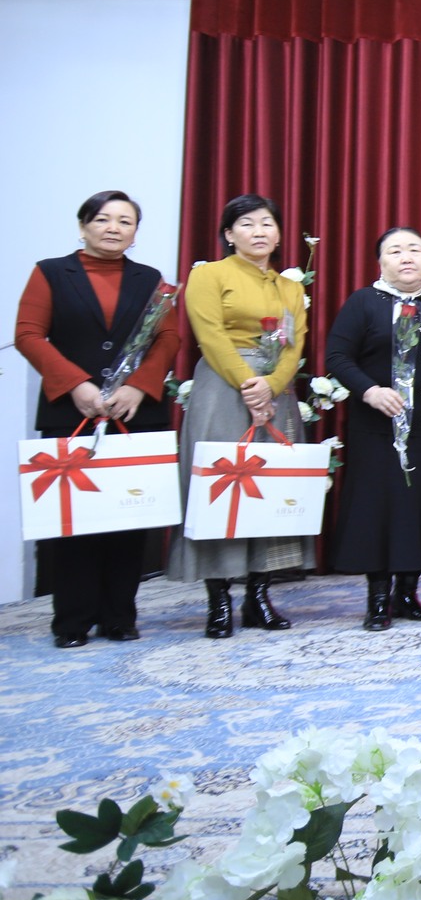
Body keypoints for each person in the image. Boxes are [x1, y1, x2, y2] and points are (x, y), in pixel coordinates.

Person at [13, 191, 181, 647]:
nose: (114, 228)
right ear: (83, 225)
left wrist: (138, 386)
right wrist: (76, 385)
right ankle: (71, 621)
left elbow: (168, 338)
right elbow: (28, 335)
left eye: (125, 221)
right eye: (104, 219)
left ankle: (119, 617)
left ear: (135, 232)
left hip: (134, 411)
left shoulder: (151, 280)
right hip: (70, 411)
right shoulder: (51, 273)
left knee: (128, 514)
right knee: (73, 520)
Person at [169, 194, 313, 636]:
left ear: (279, 234)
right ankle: (218, 599)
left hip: (276, 392)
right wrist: (250, 384)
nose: (259, 232)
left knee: (269, 489)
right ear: (229, 234)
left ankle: (258, 595)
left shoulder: (290, 287)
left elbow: (295, 344)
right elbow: (209, 334)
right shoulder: (209, 275)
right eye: (247, 224)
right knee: (222, 487)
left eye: (267, 223)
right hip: (223, 387)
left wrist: (272, 385)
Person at [324, 228, 421, 631]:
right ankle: (377, 599)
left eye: (415, 249)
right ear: (381, 262)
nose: (406, 257)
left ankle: (408, 593)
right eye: (395, 251)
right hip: (377, 429)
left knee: (418, 510)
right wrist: (369, 391)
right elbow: (337, 356)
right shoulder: (364, 302)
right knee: (380, 510)